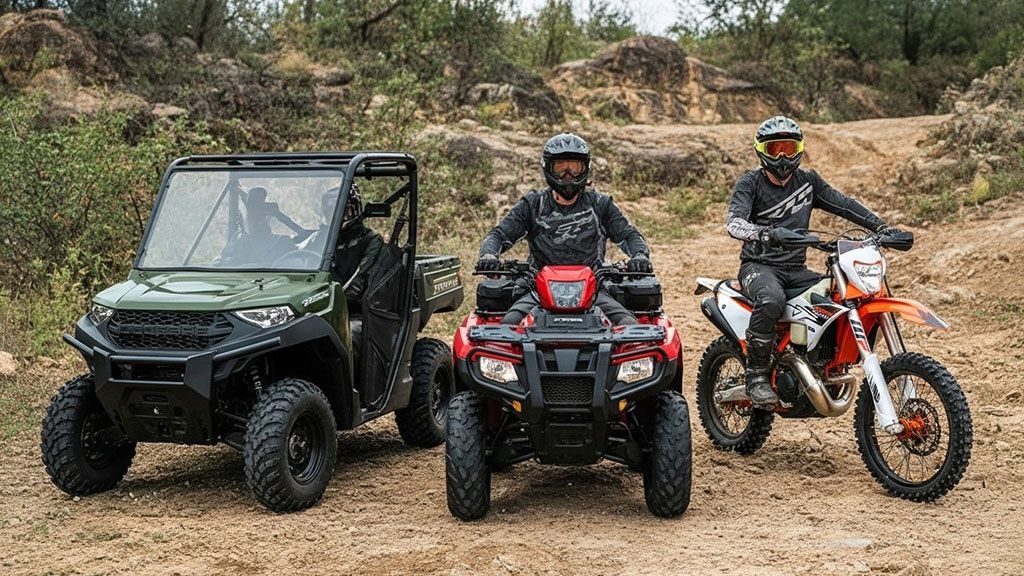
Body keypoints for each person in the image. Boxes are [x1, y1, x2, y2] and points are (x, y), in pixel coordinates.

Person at [726, 115, 901, 408]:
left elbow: (843, 204)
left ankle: (815, 363)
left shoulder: (808, 181)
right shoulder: (751, 182)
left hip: (796, 269)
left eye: (788, 147)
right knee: (770, 301)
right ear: (761, 151)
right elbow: (734, 224)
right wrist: (765, 234)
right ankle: (756, 376)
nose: (782, 156)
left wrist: (881, 227)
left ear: (800, 149)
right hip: (758, 267)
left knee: (836, 299)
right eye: (774, 149)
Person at [477, 132, 652, 326]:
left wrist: (639, 257)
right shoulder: (533, 204)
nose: (568, 176)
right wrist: (489, 256)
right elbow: (499, 235)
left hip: (594, 289)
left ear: (586, 168)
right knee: (507, 328)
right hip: (537, 289)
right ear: (548, 168)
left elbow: (629, 235)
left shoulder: (600, 204)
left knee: (630, 328)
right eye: (561, 168)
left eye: (574, 168)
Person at [318, 183, 384, 364]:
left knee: (341, 340)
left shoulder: (370, 241)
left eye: (347, 210)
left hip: (353, 312)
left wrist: (324, 303)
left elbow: (358, 282)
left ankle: (347, 390)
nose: (341, 217)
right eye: (334, 211)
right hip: (317, 311)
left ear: (357, 210)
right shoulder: (319, 239)